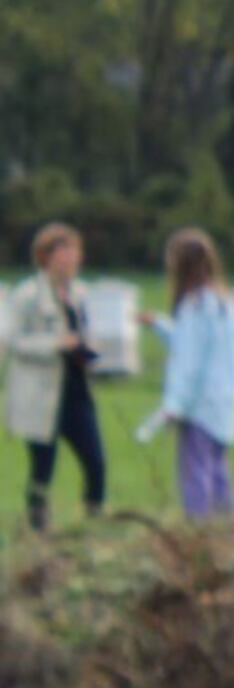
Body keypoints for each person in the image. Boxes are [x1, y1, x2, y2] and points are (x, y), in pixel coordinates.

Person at [3, 222, 107, 531]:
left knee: (96, 461)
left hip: (76, 392)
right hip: (41, 394)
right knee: (43, 467)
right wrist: (54, 344)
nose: (69, 261)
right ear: (45, 258)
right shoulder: (27, 295)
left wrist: (87, 348)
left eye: (74, 254)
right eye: (62, 255)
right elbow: (13, 341)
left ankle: (93, 520)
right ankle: (38, 528)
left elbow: (88, 331)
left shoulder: (80, 293)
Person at [139, 229, 234, 519]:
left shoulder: (194, 307)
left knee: (196, 473)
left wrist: (174, 406)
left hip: (198, 404)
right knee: (219, 472)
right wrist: (158, 324)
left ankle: (200, 534)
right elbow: (192, 345)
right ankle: (228, 529)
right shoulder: (222, 303)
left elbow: (189, 362)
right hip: (223, 401)